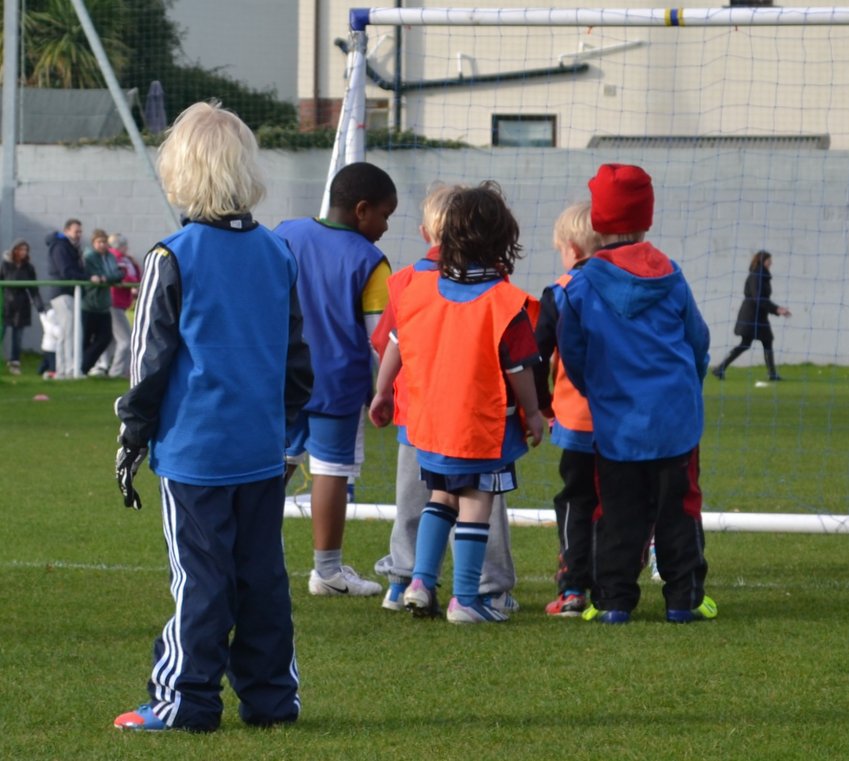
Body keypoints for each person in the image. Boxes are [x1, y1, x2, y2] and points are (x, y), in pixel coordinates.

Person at [112, 101, 313, 732]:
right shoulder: (277, 252)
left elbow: (148, 364)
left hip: (196, 453)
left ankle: (185, 701)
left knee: (200, 579)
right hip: (260, 450)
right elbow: (296, 359)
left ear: (181, 171)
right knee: (261, 580)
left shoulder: (171, 256)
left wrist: (131, 436)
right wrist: (288, 435)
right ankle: (272, 700)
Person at [367, 180, 545, 625]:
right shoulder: (505, 302)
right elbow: (520, 369)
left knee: (440, 496)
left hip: (429, 424)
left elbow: (394, 346)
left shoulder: (417, 290)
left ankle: (420, 582)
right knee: (476, 500)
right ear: (503, 240)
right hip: (481, 425)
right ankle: (467, 599)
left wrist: (383, 391)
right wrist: (534, 412)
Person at [556, 163, 715, 624]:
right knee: (679, 508)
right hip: (675, 420)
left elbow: (573, 351)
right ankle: (685, 600)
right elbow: (697, 340)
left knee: (617, 512)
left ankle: (613, 602)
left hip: (617, 422)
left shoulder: (581, 285)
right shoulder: (671, 273)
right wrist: (685, 389)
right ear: (647, 217)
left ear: (597, 220)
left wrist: (598, 391)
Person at [275, 162, 397, 598]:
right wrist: (388, 390)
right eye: (385, 214)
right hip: (337, 384)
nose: (386, 226)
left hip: (281, 380)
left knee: (274, 466)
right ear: (362, 210)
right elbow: (382, 340)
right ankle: (327, 571)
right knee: (332, 472)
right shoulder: (371, 261)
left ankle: (248, 553)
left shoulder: (283, 235)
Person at [534, 201, 604, 617]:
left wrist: (542, 405)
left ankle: (573, 589)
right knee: (618, 501)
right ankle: (613, 588)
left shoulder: (559, 292)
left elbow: (535, 356)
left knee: (576, 501)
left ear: (573, 249)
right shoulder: (630, 284)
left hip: (578, 421)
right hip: (627, 420)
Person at [710, 250, 792, 381]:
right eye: (769, 260)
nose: (771, 263)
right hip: (752, 316)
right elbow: (758, 298)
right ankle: (720, 368)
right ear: (762, 261)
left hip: (757, 316)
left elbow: (761, 299)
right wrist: (777, 309)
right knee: (752, 343)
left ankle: (720, 368)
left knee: (760, 342)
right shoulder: (757, 276)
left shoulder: (761, 275)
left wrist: (776, 309)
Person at [42, 218, 88, 378]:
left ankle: (68, 369)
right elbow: (66, 271)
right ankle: (66, 369)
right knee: (68, 331)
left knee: (71, 331)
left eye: (80, 232)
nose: (79, 235)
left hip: (69, 293)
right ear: (67, 230)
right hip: (61, 293)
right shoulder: (60, 246)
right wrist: (87, 277)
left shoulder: (71, 247)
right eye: (76, 231)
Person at [91, 233, 141, 378]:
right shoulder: (115, 257)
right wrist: (133, 281)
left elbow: (136, 277)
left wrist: (135, 265)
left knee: (115, 339)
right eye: (125, 245)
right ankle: (116, 371)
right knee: (125, 339)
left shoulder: (124, 259)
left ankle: (109, 368)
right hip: (114, 302)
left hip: (120, 303)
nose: (127, 248)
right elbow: (123, 277)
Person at [81, 229, 123, 375]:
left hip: (104, 305)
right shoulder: (90, 256)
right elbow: (97, 274)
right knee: (85, 339)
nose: (102, 245)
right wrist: (108, 277)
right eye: (99, 242)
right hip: (89, 304)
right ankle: (81, 368)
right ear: (93, 243)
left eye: (104, 242)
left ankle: (84, 366)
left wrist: (106, 278)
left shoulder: (110, 256)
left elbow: (118, 274)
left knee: (105, 337)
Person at [1, 239, 39, 374]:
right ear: (15, 250)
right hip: (5, 304)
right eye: (21, 249)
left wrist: (39, 306)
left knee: (17, 336)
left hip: (21, 305)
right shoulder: (5, 265)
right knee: (2, 331)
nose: (24, 252)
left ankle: (14, 362)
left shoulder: (29, 268)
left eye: (26, 250)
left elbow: (34, 288)